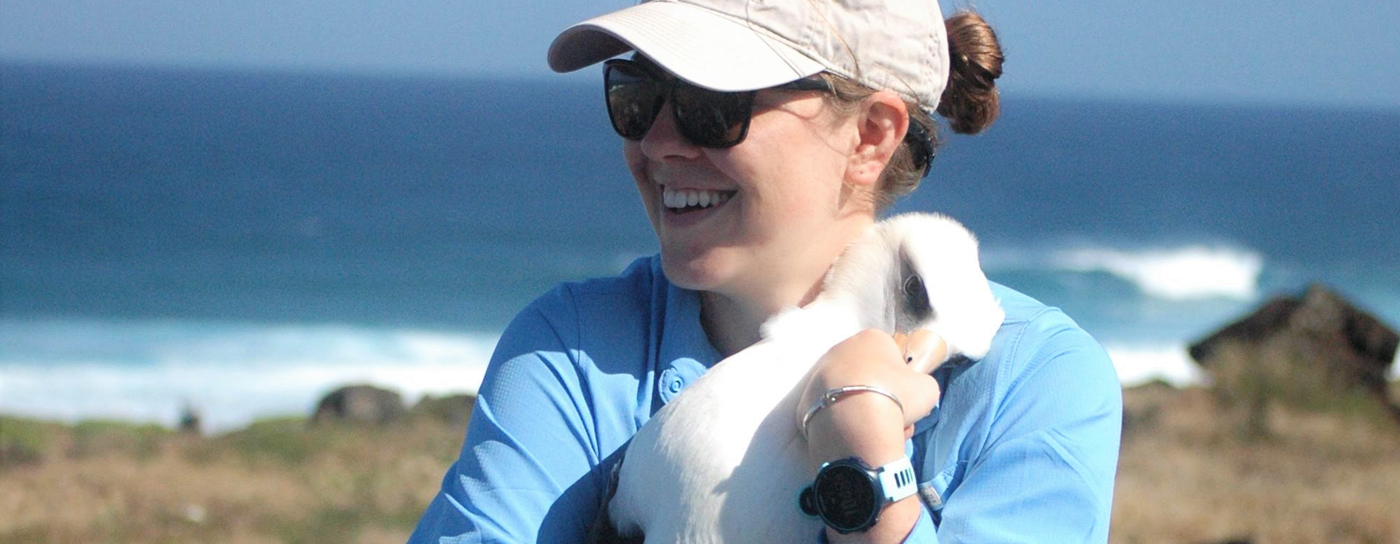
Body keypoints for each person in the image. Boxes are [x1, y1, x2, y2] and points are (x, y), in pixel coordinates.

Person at [410, 0, 1122, 541]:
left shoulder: (1034, 378)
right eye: (636, 94)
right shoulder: (572, 346)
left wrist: (866, 460)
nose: (658, 142)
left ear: (870, 137)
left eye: (710, 105)